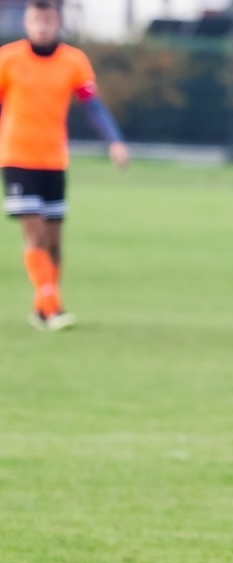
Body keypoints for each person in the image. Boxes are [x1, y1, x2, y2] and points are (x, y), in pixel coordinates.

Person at [0, 0, 128, 330]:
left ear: (57, 22)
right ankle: (52, 308)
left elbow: (93, 105)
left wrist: (114, 140)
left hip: (54, 160)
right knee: (36, 233)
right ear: (26, 22)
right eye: (36, 20)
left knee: (54, 242)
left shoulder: (74, 61)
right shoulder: (8, 59)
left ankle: (42, 308)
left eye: (48, 21)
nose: (42, 27)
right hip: (16, 157)